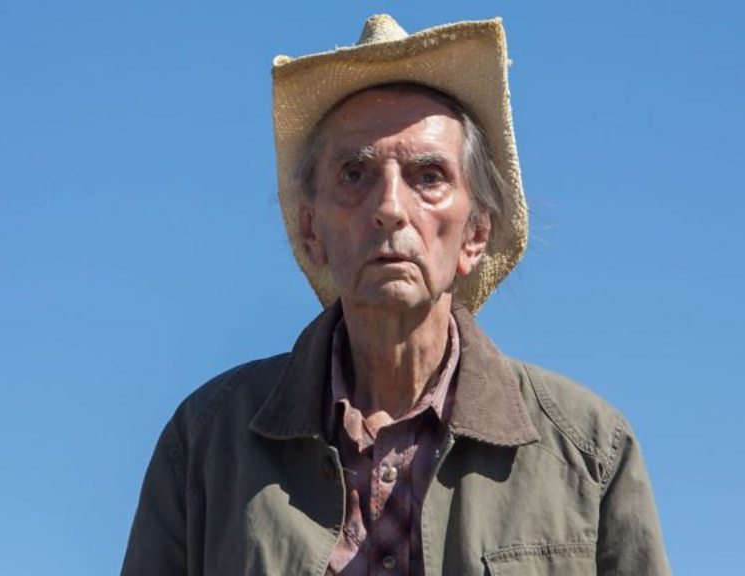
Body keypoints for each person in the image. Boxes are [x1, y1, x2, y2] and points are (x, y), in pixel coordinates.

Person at [122, 14, 669, 576]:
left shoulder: (590, 450)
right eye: (354, 174)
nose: (389, 208)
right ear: (311, 231)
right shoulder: (207, 442)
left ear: (476, 234)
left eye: (428, 176)